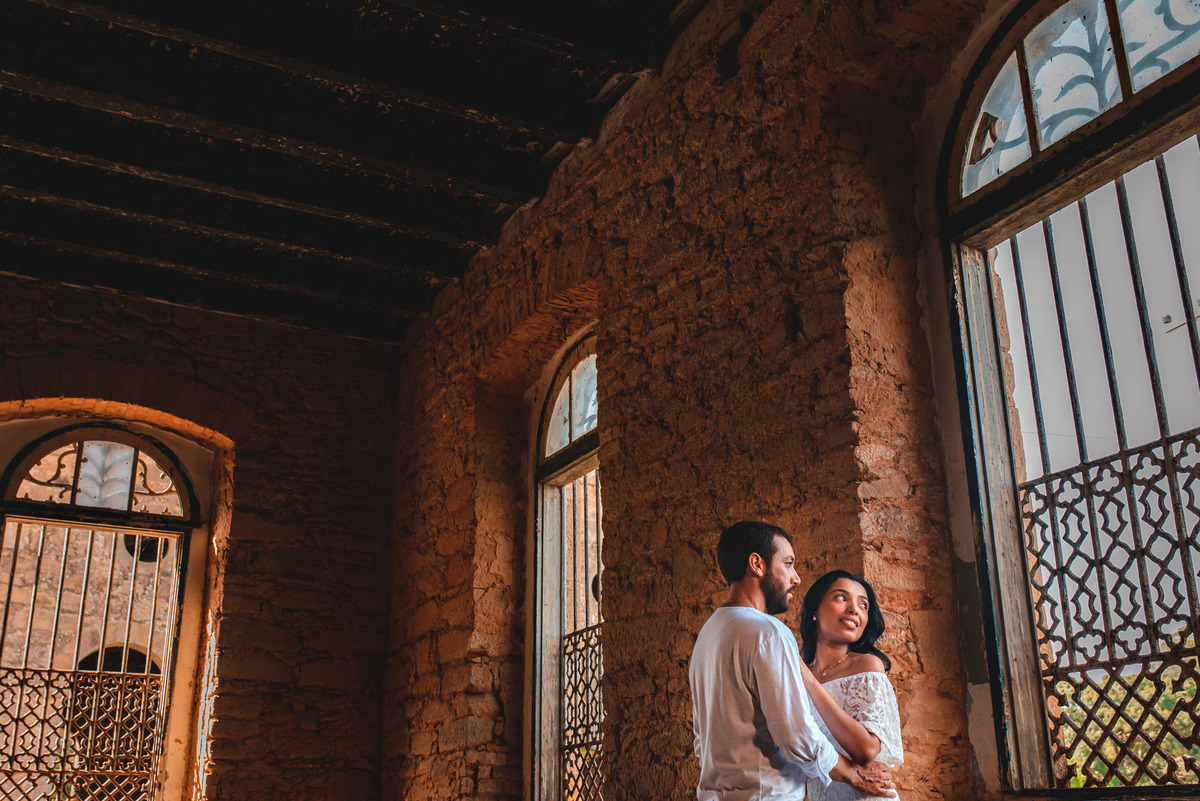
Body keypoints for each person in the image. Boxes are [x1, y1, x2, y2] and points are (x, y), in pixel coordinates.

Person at [689, 521, 896, 800]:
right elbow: (796, 736)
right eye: (788, 564)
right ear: (757, 565)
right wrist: (852, 775)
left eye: (863, 604)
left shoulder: (708, 635)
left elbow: (702, 741)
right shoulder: (769, 632)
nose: (796, 578)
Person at [797, 570, 904, 801]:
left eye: (863, 605)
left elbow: (865, 750)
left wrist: (809, 680)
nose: (854, 609)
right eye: (841, 598)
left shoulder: (867, 665)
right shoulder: (795, 671)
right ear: (814, 610)